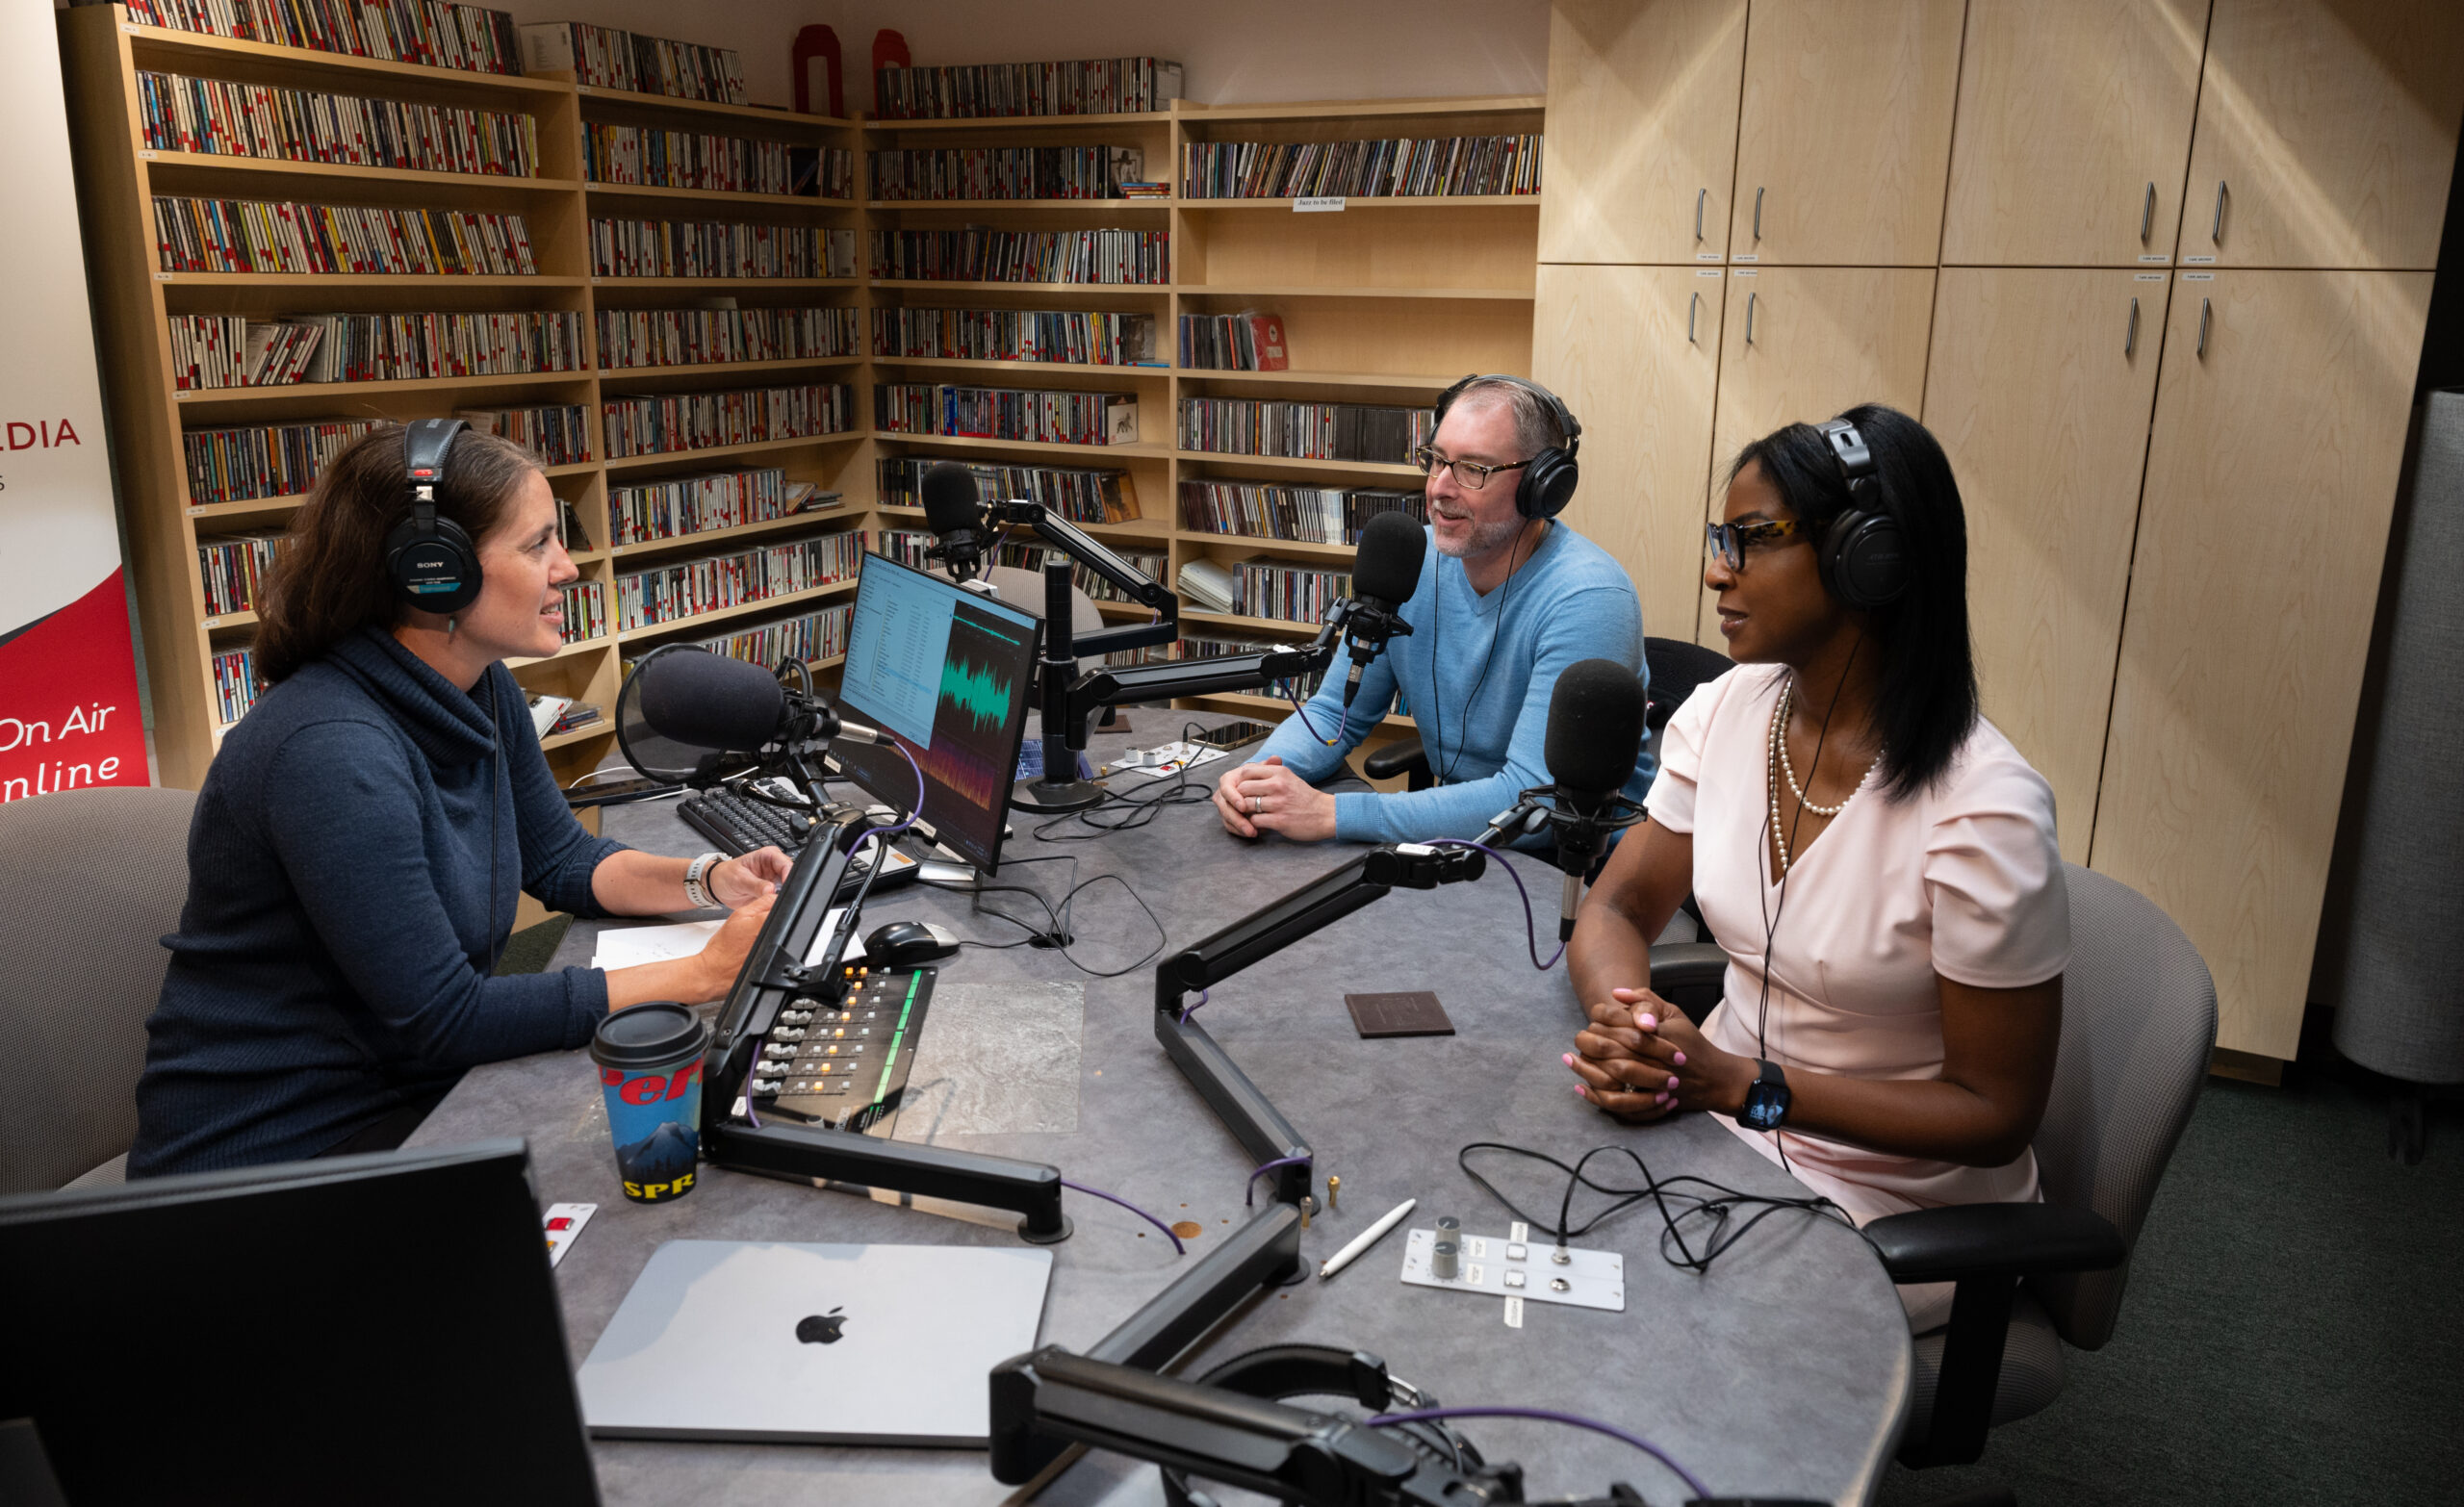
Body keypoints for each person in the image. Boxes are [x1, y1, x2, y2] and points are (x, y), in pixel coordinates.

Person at [131, 421, 787, 1177]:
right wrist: (703, 973)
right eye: (537, 544)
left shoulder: (480, 688)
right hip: (276, 1155)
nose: (567, 569)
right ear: (432, 572)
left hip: (406, 1093)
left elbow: (563, 860)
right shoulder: (329, 750)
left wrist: (706, 881)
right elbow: (448, 1019)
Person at [1560, 405, 2068, 1333]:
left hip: (1897, 1205)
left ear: (1865, 560)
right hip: (1723, 1133)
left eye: (1753, 540)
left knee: (1656, 1326)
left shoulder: (1983, 809)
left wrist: (1742, 1084)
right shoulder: (1726, 712)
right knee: (1552, 1237)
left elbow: (1997, 1111)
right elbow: (1621, 908)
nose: (1718, 569)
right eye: (1723, 539)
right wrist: (1635, 1028)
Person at [1213, 375, 1649, 845]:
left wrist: (1331, 814)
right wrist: (1256, 778)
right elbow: (1333, 716)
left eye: (1473, 469)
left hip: (1573, 866)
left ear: (1542, 486)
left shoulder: (1589, 599)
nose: (1440, 487)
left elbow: (1537, 801)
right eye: (1437, 460)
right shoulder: (1412, 563)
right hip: (1460, 840)